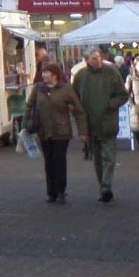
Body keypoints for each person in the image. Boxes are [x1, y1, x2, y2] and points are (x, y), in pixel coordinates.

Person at [23, 62, 85, 204]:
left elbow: (79, 110)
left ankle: (61, 191)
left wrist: (82, 131)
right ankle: (51, 192)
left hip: (61, 131)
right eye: (43, 72)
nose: (43, 75)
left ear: (55, 75)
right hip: (43, 130)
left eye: (47, 72)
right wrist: (25, 124)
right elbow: (29, 106)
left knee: (59, 160)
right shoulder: (38, 89)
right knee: (48, 161)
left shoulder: (66, 89)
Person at [75, 48, 128, 203]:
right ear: (86, 61)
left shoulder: (111, 72)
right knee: (97, 160)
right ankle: (103, 188)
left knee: (109, 158)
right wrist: (81, 124)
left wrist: (110, 105)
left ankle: (106, 186)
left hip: (108, 122)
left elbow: (123, 94)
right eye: (93, 59)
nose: (97, 60)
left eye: (98, 57)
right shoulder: (80, 76)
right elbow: (75, 100)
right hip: (91, 124)